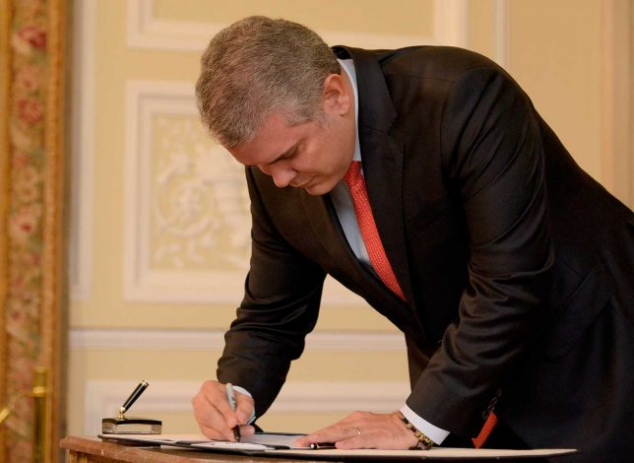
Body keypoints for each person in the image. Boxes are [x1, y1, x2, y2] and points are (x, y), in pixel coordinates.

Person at [190, 15, 634, 461]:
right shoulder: (276, 169)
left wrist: (413, 423)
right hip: (461, 394)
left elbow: (510, 282)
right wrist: (236, 393)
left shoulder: (462, 97)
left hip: (594, 362)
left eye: (290, 155)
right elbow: (273, 312)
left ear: (334, 95)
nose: (280, 180)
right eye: (262, 166)